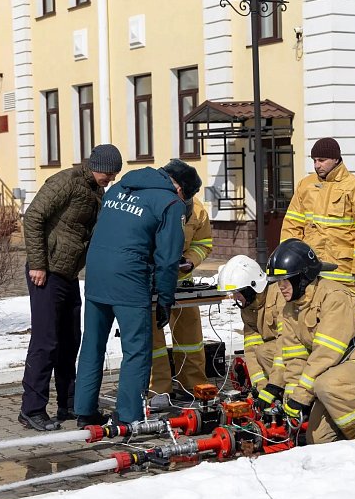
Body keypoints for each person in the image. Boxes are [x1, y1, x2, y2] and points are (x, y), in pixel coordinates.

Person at [73, 159, 202, 426]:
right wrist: (165, 299)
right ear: (180, 190)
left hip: (96, 274)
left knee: (92, 344)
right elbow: (168, 259)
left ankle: (84, 411)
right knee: (136, 350)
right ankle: (128, 416)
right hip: (129, 280)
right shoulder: (170, 203)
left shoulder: (120, 187)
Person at [19, 144, 123, 432]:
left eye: (114, 175)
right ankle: (32, 409)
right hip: (47, 272)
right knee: (46, 341)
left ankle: (69, 402)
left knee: (69, 340)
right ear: (95, 165)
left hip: (67, 275)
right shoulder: (65, 182)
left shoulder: (96, 191)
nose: (110, 179)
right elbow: (34, 217)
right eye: (108, 173)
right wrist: (38, 264)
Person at [256, 239, 355, 444]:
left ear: (303, 278)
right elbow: (295, 358)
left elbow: (325, 355)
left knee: (326, 385)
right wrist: (291, 401)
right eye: (278, 282)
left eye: (286, 280)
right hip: (335, 368)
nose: (281, 287)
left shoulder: (335, 298)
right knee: (317, 441)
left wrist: (302, 398)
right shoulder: (291, 308)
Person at [280, 137, 355, 292]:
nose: (316, 165)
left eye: (322, 160)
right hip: (309, 268)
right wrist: (287, 261)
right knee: (310, 313)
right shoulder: (305, 185)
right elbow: (292, 225)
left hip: (342, 269)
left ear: (335, 159)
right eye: (314, 160)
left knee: (343, 313)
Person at [148, 195, 213, 399]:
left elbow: (203, 242)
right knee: (153, 339)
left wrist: (190, 261)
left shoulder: (197, 209)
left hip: (182, 281)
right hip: (152, 283)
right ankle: (157, 390)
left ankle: (193, 384)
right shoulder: (153, 203)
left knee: (190, 338)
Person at [215, 254, 285, 393]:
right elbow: (251, 349)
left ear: (252, 286)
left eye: (238, 292)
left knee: (264, 352)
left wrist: (274, 387)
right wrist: (260, 386)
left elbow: (287, 342)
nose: (236, 297)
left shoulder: (279, 296)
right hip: (274, 357)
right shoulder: (248, 308)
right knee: (261, 351)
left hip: (292, 355)